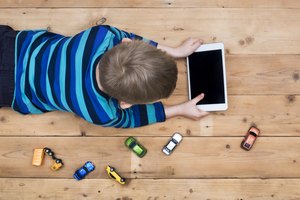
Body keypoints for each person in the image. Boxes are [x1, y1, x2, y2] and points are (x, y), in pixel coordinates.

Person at [0, 24, 208, 128]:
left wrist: (174, 51)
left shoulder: (102, 35)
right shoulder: (101, 112)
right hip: (13, 90)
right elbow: (133, 118)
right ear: (124, 103)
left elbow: (130, 39)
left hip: (15, 46)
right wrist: (179, 109)